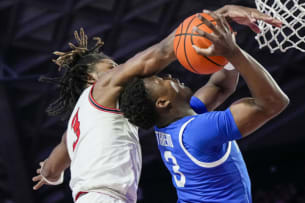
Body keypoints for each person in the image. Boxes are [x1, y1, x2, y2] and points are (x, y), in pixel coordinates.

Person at [32, 5, 282, 203]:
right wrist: (221, 15)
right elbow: (163, 51)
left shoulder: (81, 118)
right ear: (92, 78)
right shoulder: (105, 87)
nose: (121, 71)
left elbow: (58, 157)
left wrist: (49, 174)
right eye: (112, 68)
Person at [120, 10, 289, 203]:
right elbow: (273, 103)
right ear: (162, 102)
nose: (169, 77)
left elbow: (220, 86)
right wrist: (233, 53)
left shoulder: (172, 123)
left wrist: (224, 42)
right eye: (162, 80)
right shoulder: (196, 132)